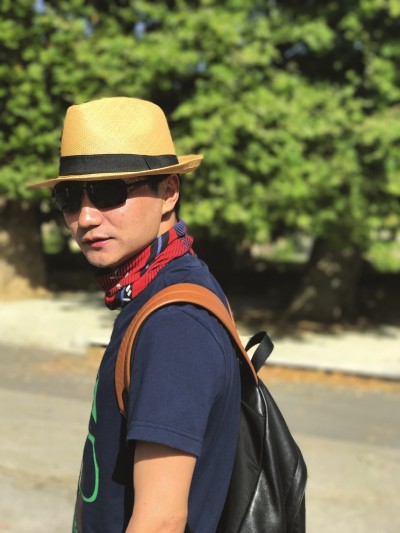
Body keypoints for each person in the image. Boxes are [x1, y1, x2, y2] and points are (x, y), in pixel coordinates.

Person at [30, 97, 241, 533]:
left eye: (109, 193)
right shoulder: (156, 292)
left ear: (169, 192)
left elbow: (160, 521)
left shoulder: (175, 324)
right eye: (69, 197)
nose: (85, 217)